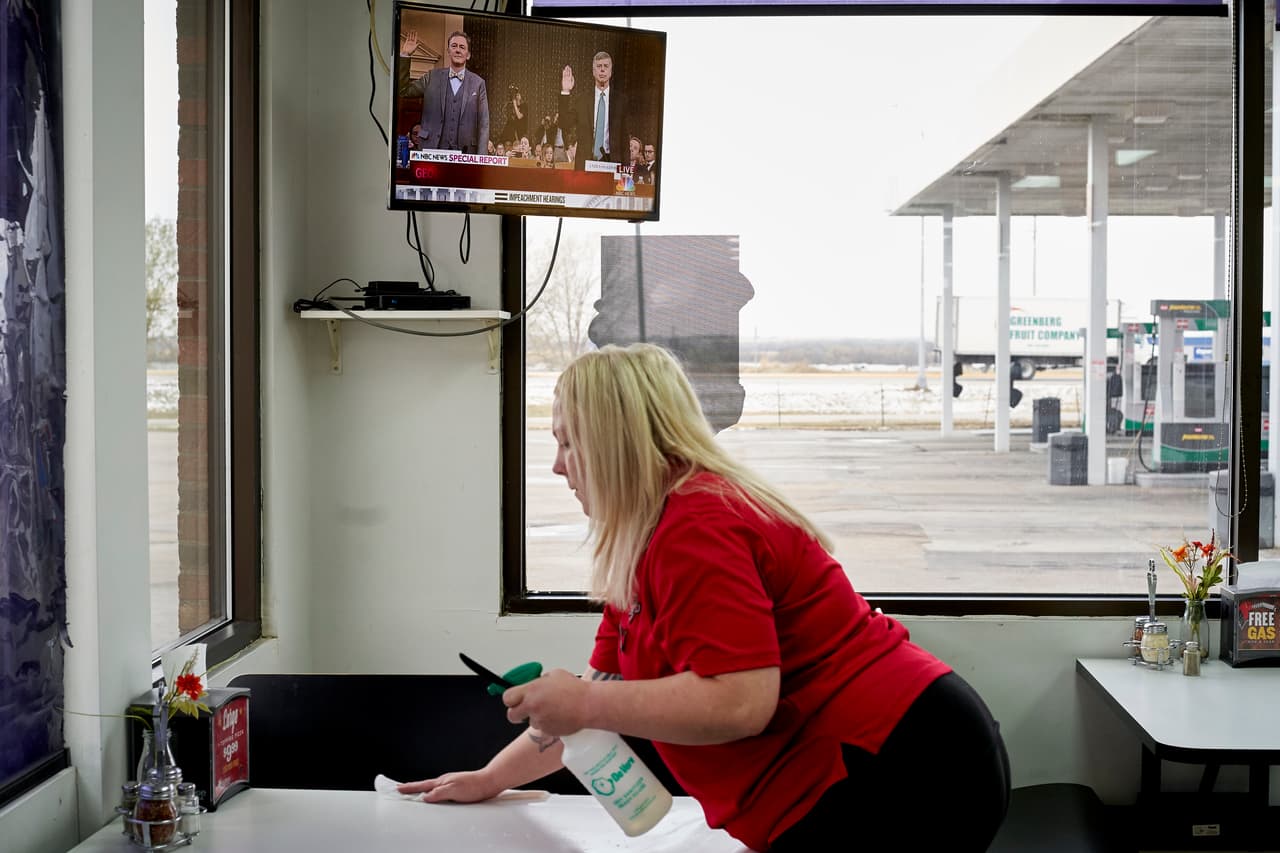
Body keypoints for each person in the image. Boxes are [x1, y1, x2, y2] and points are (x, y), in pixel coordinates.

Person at [397, 343, 1011, 853]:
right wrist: (490, 778)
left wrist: (580, 702)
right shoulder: (644, 538)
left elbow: (741, 702)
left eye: (568, 443)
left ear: (615, 442)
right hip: (879, 758)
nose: (558, 467)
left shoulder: (696, 526)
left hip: (903, 765)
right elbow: (605, 697)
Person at [398, 29, 489, 156]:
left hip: (466, 154)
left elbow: (484, 124)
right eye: (454, 46)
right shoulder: (432, 77)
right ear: (448, 51)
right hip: (431, 150)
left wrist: (482, 159)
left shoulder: (478, 83)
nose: (458, 50)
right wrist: (405, 54)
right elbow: (403, 90)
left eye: (462, 47)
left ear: (468, 54)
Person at [557, 51, 629, 167]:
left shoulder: (621, 101)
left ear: (611, 71)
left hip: (613, 164)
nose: (602, 70)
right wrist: (565, 91)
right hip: (585, 164)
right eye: (599, 66)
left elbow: (625, 140)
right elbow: (564, 123)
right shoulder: (582, 100)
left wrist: (626, 172)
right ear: (593, 71)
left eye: (606, 66)